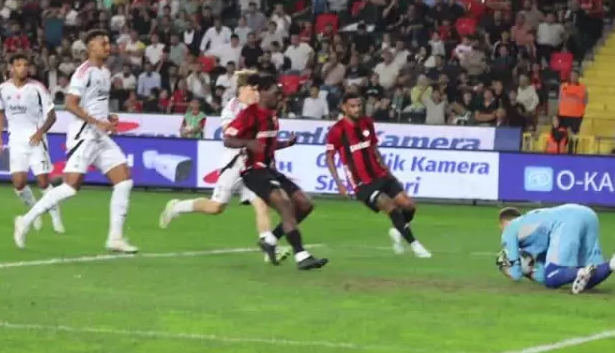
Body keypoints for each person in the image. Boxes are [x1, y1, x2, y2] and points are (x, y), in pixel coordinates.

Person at [13, 30, 138, 254]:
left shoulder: (105, 72)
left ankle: (115, 238)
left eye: (108, 43)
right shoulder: (83, 72)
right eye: (103, 43)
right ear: (91, 47)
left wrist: (108, 118)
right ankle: (25, 220)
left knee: (124, 181)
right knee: (71, 187)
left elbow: (96, 105)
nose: (108, 47)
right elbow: (70, 104)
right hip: (84, 135)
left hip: (99, 136)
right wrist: (96, 122)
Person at [159, 70, 291, 264]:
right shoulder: (232, 108)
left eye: (258, 89)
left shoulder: (262, 109)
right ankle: (177, 207)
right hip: (234, 163)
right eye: (253, 89)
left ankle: (269, 247)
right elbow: (229, 136)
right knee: (216, 207)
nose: (256, 93)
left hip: (253, 166)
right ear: (242, 89)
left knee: (263, 204)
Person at [224, 74, 328, 270]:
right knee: (286, 205)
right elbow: (228, 139)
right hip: (253, 172)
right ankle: (301, 256)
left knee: (305, 205)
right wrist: (247, 142)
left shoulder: (272, 115)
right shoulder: (249, 114)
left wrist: (285, 144)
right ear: (262, 92)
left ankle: (270, 240)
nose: (279, 97)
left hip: (270, 170)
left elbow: (266, 146)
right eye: (275, 93)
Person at [325, 91, 432, 258]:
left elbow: (374, 148)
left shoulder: (367, 123)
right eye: (352, 106)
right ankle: (415, 245)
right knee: (391, 208)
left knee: (409, 205)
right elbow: (329, 157)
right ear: (344, 107)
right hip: (362, 183)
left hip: (380, 174)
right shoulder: (337, 130)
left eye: (359, 105)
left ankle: (398, 230)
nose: (357, 109)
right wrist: (339, 182)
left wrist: (386, 170)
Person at [0, 53, 65, 234]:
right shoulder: (3, 89)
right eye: (18, 65)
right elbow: (0, 113)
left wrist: (40, 132)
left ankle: (56, 215)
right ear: (11, 68)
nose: (23, 68)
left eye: (25, 65)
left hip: (36, 139)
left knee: (42, 181)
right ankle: (36, 212)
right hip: (16, 141)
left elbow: (52, 115)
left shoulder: (37, 88)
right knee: (18, 183)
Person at [495, 204, 615, 294]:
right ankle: (613, 263)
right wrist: (532, 272)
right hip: (588, 215)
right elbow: (544, 267)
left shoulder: (509, 229)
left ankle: (580, 271)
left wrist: (507, 268)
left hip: (565, 222)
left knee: (552, 277)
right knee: (587, 278)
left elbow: (516, 273)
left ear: (502, 223)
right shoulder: (530, 225)